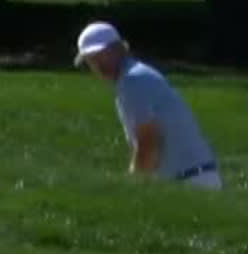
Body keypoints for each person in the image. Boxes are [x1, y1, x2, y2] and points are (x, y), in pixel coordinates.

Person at [74, 22, 222, 190]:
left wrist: (133, 187)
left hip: (189, 181)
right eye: (91, 60)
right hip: (196, 177)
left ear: (121, 49)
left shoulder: (132, 81)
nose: (99, 64)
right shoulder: (136, 76)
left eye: (103, 55)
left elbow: (149, 143)